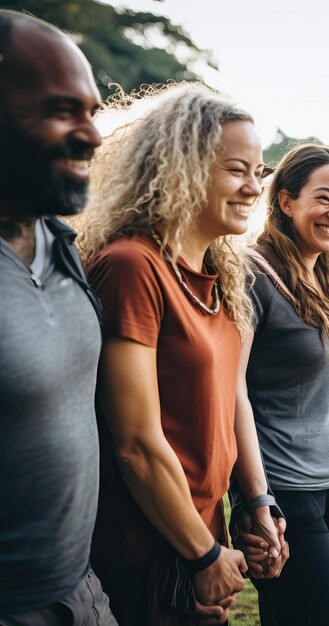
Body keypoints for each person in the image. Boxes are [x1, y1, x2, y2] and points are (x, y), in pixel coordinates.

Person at [77, 83, 283, 625]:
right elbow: (136, 444)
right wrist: (202, 554)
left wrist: (253, 504)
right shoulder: (132, 266)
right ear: (181, 166)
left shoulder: (221, 277)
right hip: (146, 543)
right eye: (237, 169)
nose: (253, 187)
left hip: (202, 527)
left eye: (259, 172)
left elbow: (225, 402)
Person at [0, 10, 118, 625]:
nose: (93, 135)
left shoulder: (60, 240)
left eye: (92, 111)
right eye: (60, 111)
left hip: (82, 589)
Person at [233, 143, 329, 625]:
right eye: (323, 198)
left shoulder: (328, 271)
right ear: (285, 201)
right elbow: (232, 393)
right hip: (289, 492)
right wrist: (257, 499)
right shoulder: (252, 274)